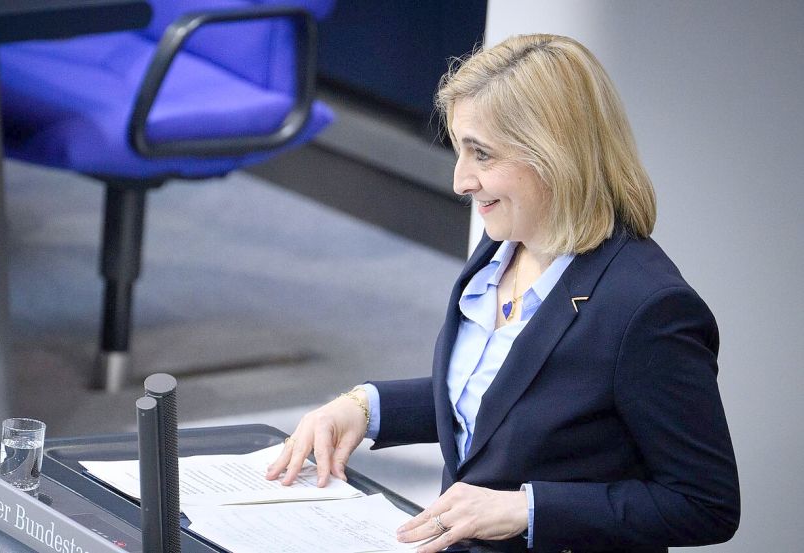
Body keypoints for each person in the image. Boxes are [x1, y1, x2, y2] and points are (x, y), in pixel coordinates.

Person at [265, 34, 740, 552]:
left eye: (481, 154)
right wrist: (365, 407)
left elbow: (704, 504)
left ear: (554, 154)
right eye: (459, 150)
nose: (460, 181)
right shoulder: (503, 248)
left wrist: (526, 509)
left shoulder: (649, 309)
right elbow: (498, 402)